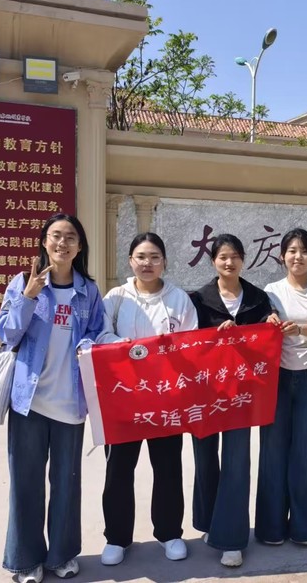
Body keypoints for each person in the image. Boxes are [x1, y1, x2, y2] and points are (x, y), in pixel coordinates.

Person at [0, 214, 105, 583]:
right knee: (25, 483)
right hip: (29, 401)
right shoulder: (24, 283)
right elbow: (7, 334)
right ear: (44, 242)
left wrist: (88, 344)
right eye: (55, 236)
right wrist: (27, 297)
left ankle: (61, 554)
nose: (62, 243)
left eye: (70, 237)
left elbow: (97, 332)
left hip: (70, 402)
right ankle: (25, 560)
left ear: (79, 246)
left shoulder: (88, 290)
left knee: (67, 482)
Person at [97, 232, 198, 566]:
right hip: (124, 397)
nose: (147, 263)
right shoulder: (116, 297)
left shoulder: (179, 299)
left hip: (165, 398)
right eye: (141, 257)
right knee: (119, 468)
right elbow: (100, 333)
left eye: (154, 257)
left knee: (168, 467)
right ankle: (117, 538)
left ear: (164, 262)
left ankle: (169, 533)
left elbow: (191, 342)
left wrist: (172, 348)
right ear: (130, 261)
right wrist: (124, 346)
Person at [189, 234, 279, 567]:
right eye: (223, 257)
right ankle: (209, 522)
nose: (229, 262)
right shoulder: (198, 299)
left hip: (242, 394)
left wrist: (271, 323)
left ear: (243, 259)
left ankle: (231, 539)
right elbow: (188, 344)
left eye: (235, 256)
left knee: (237, 462)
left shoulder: (258, 299)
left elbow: (267, 341)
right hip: (206, 393)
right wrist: (214, 338)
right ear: (213, 261)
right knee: (205, 459)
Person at [255, 227, 307, 547]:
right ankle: (271, 528)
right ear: (281, 256)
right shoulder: (271, 291)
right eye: (291, 250)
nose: (297, 256)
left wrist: (297, 329)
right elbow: (264, 323)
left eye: (304, 251)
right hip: (276, 380)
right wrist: (270, 322)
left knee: (305, 454)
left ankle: (303, 529)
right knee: (273, 453)